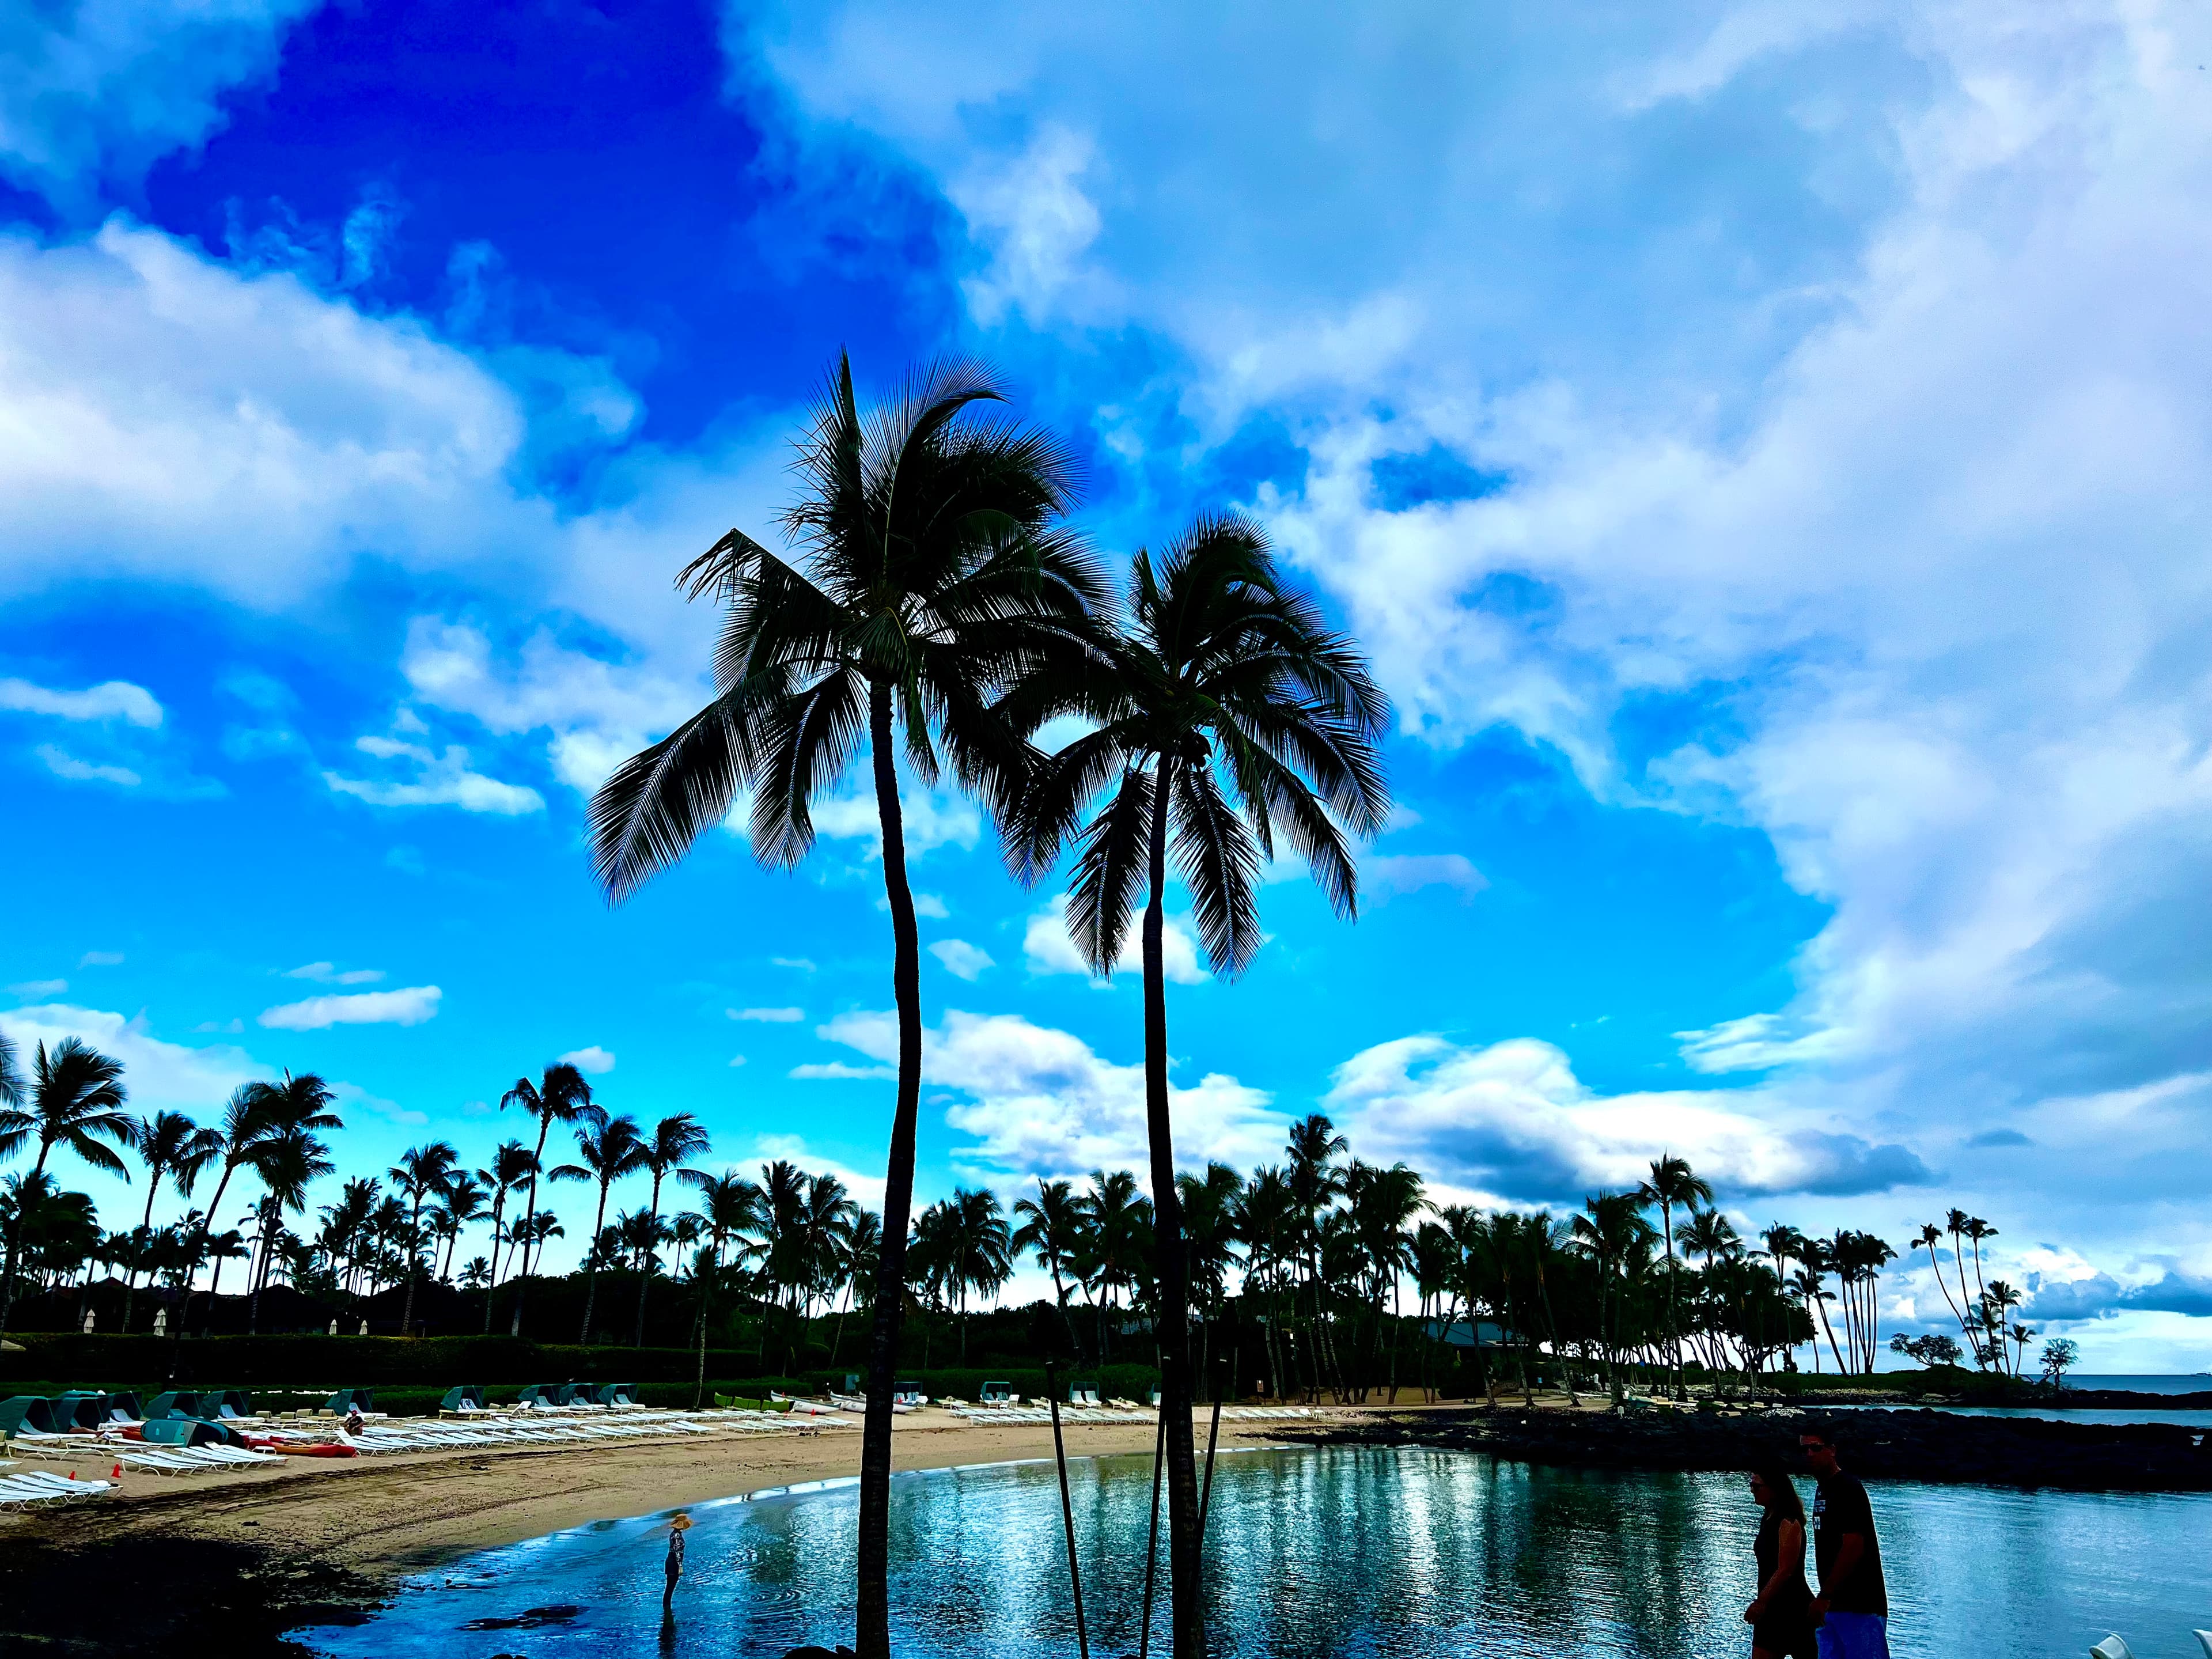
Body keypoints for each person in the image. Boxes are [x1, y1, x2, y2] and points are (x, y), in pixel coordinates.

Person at [1801, 1428, 1889, 1659]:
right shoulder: (1822, 1489)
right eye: (1805, 1449)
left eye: (1816, 1447)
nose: (1809, 1454)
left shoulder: (1848, 1487)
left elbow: (1854, 1545)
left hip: (1860, 1606)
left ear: (1831, 1451)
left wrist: (1825, 1596)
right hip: (1833, 1609)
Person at [1744, 1460, 1817, 1659]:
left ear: (1774, 1489)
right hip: (1770, 1609)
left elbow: (1786, 1569)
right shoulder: (1768, 1518)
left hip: (1793, 1609)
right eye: (1751, 1485)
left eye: (1757, 1486)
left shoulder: (1788, 1521)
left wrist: (1760, 1603)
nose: (1752, 1490)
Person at [662, 1513, 692, 1612]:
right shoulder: (677, 1536)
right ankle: (667, 1611)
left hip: (671, 1562)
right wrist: (680, 1566)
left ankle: (667, 1610)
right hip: (673, 1563)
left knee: (669, 1588)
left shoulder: (674, 1534)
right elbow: (677, 1552)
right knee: (670, 1588)